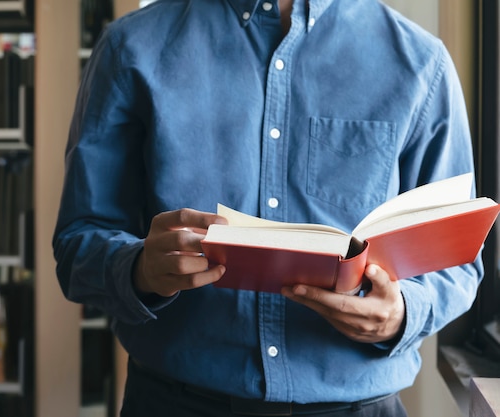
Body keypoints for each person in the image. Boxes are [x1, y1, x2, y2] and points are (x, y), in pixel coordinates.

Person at [53, 0, 482, 416]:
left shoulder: (423, 63)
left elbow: (457, 261)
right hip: (172, 401)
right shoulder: (130, 47)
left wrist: (401, 314)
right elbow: (79, 243)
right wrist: (140, 269)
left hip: (359, 407)